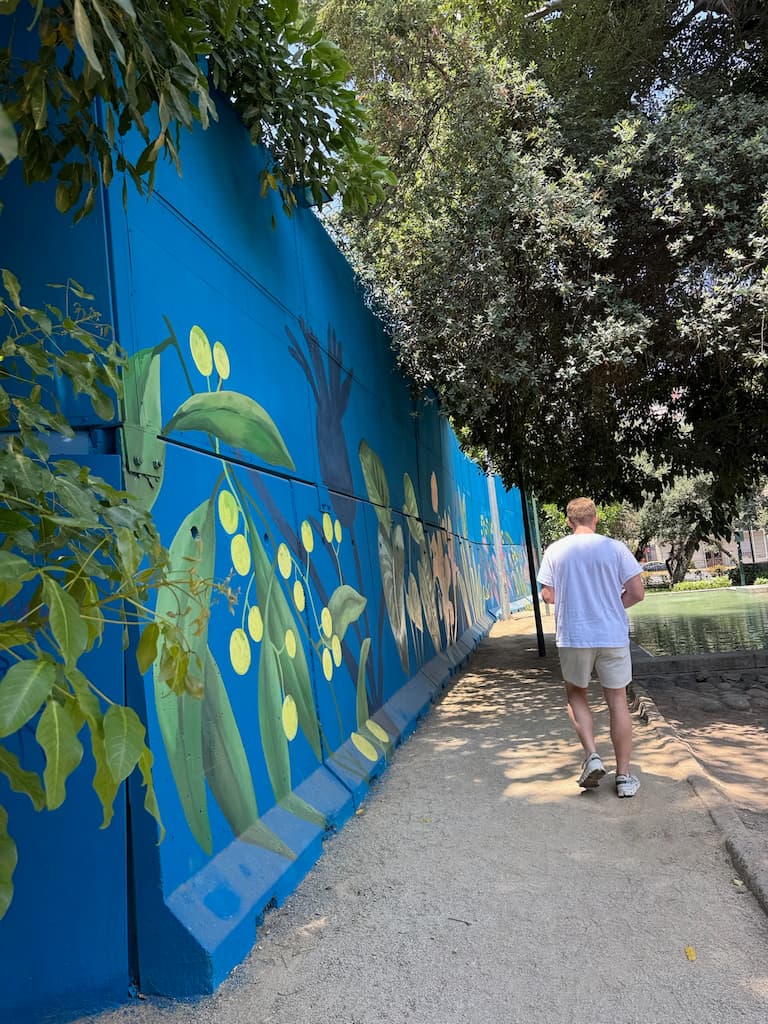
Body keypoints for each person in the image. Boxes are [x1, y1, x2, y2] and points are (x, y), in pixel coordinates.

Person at [536, 497, 645, 798]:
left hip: (574, 635)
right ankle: (624, 777)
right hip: (612, 635)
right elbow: (637, 592)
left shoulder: (555, 550)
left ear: (568, 521)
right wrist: (611, 606)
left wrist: (574, 600)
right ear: (596, 518)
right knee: (618, 701)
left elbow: (547, 595)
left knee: (576, 694)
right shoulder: (615, 548)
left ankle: (592, 756)